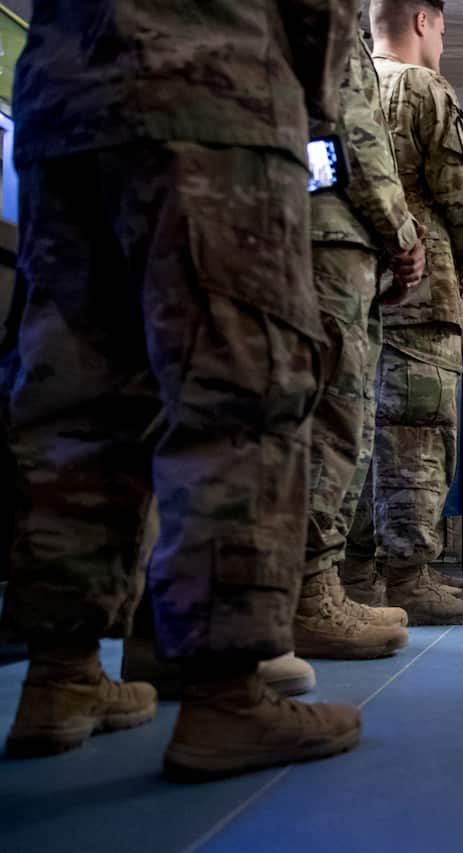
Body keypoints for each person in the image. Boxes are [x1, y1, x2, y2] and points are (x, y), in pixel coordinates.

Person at [1, 0, 362, 779]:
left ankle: (59, 676)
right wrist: (307, 108)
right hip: (212, 86)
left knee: (74, 400)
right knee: (239, 391)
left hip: (63, 100)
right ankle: (226, 695)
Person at [345, 0, 463, 626]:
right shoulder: (421, 86)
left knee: (362, 434)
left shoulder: (348, 82)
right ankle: (407, 576)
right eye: (444, 28)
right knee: (418, 434)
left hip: (358, 289)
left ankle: (357, 573)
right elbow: (458, 188)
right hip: (421, 286)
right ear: (424, 22)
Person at [289, 20, 423, 660]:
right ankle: (308, 591)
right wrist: (400, 234)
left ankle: (103, 646)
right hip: (324, 233)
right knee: (331, 412)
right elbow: (349, 124)